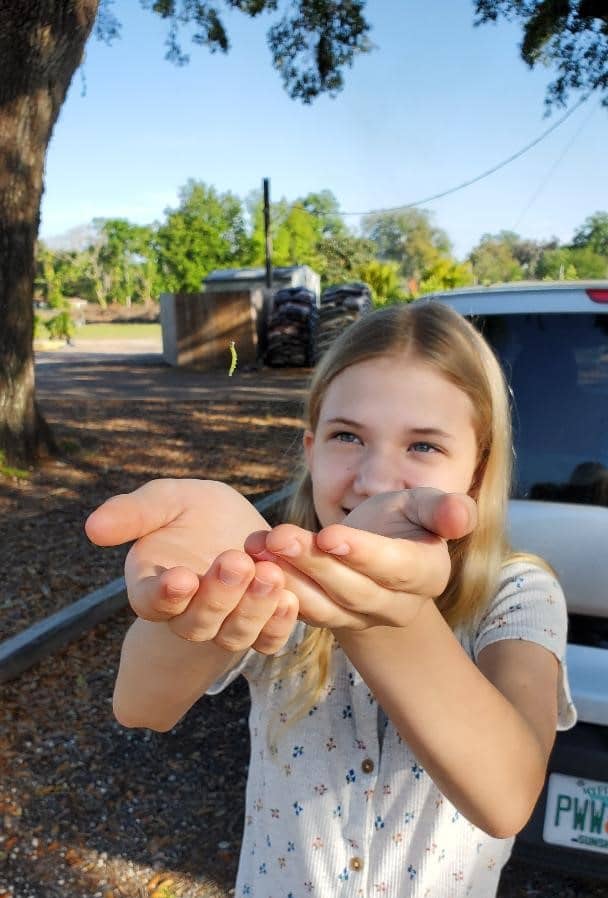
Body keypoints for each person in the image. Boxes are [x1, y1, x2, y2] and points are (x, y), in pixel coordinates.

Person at [85, 300, 576, 898]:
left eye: (423, 446)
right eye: (348, 436)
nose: (373, 479)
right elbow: (142, 705)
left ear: (476, 471)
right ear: (311, 449)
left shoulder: (518, 591)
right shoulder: (276, 575)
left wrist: (383, 618)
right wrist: (208, 585)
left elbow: (507, 798)